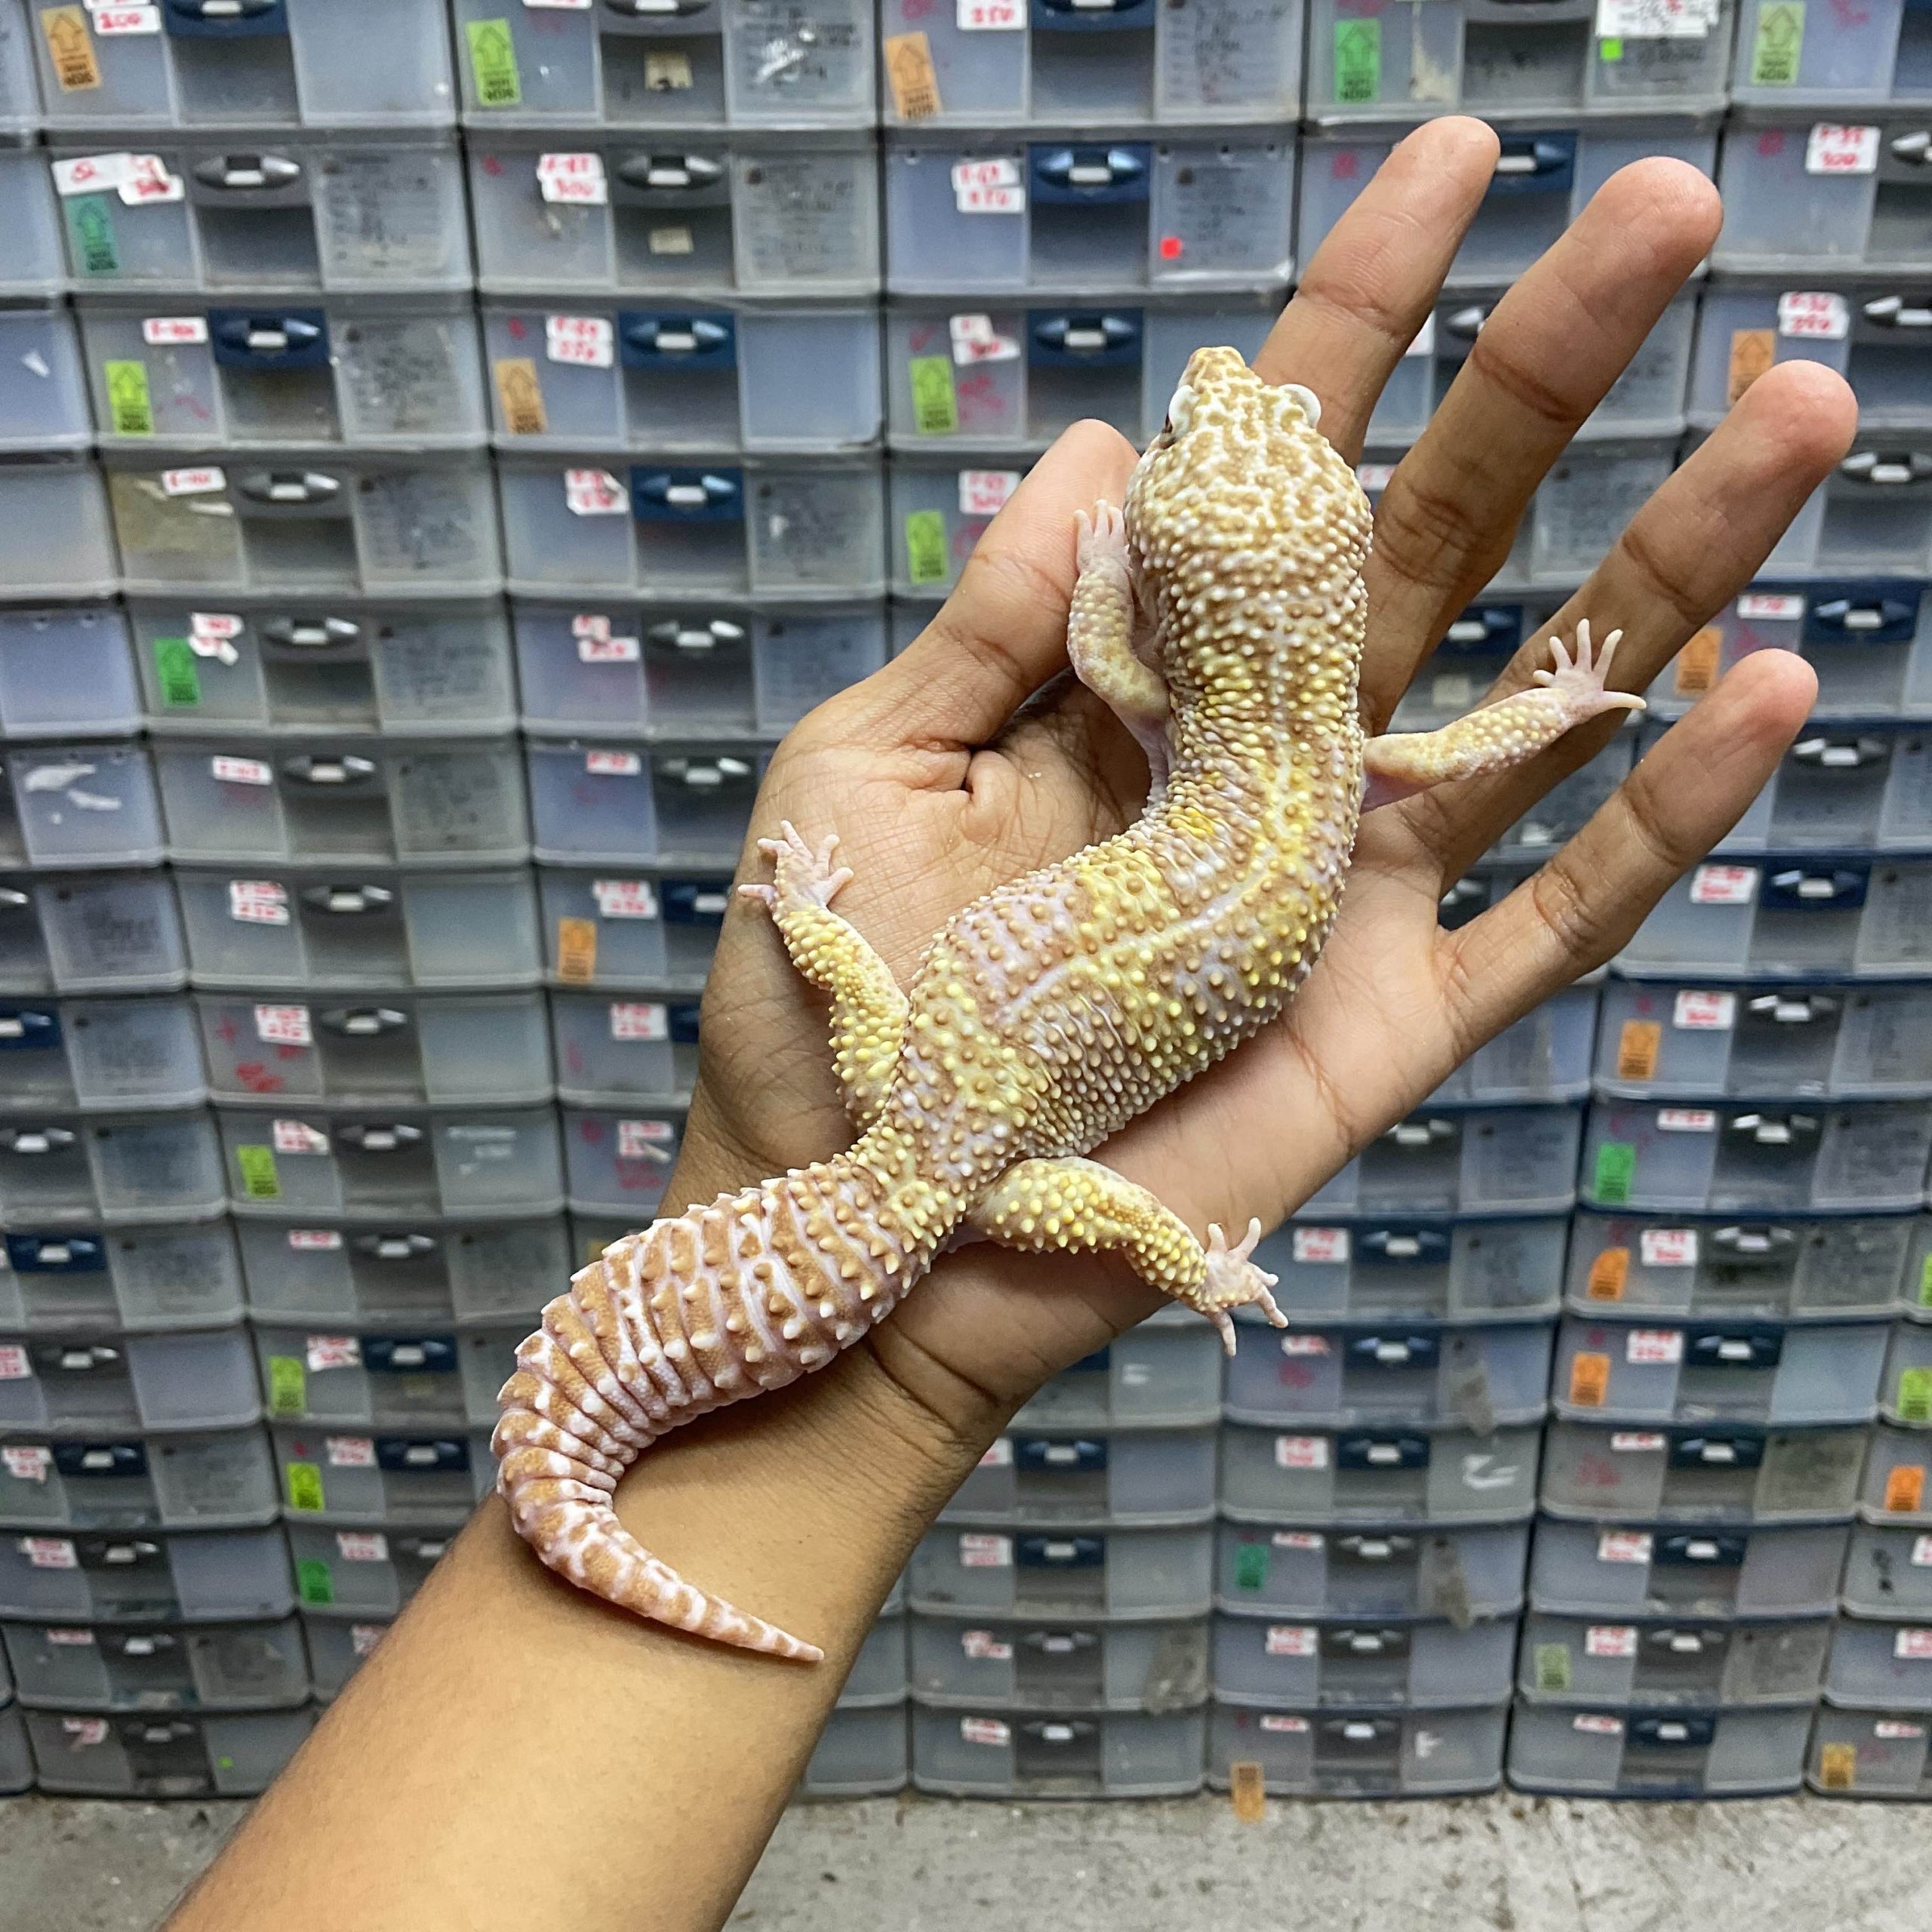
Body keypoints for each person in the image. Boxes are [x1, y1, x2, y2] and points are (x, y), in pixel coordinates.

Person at [165, 117, 1853, 1932]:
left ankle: (974, 1209)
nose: (1233, 400)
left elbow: (1111, 664)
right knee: (1105, 1208)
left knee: (1042, 1157)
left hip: (937, 1077)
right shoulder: (1328, 751)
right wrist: (1568, 698)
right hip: (964, 1140)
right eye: (1228, 430)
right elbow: (1454, 744)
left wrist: (860, 870)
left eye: (1252, 432)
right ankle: (1095, 1268)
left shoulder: (1183, 716)